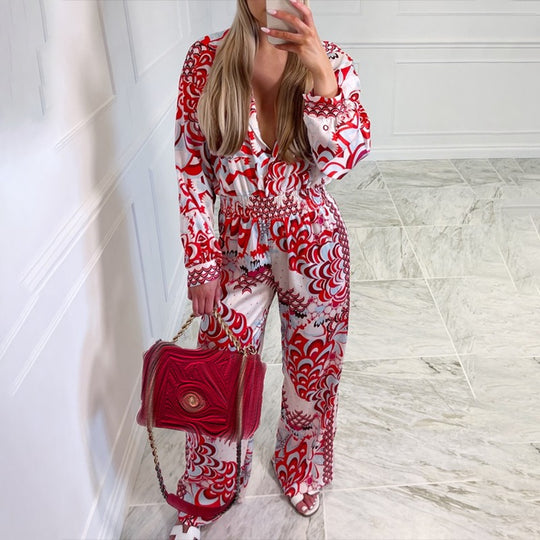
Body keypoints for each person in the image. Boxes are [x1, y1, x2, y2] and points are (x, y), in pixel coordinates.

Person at [171, 0, 370, 538]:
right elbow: (191, 167)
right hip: (235, 243)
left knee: (311, 370)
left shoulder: (334, 62)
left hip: (313, 242)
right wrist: (201, 258)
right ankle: (213, 480)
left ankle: (298, 464)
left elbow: (346, 160)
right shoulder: (205, 59)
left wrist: (322, 76)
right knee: (221, 367)